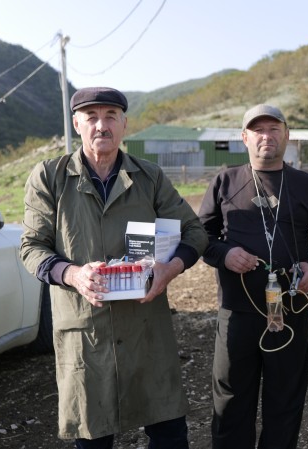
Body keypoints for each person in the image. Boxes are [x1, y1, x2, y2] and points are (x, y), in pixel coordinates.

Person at [20, 87, 208, 448]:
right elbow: (31, 247)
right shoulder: (49, 177)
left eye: (110, 116)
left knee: (169, 434)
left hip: (146, 329)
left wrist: (170, 268)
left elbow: (194, 232)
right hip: (86, 332)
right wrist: (74, 275)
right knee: (93, 437)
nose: (101, 125)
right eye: (91, 117)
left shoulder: (149, 177)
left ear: (124, 125)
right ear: (77, 124)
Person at [198, 104, 308, 449]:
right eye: (258, 130)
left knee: (285, 400)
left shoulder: (305, 185)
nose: (266, 136)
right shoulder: (225, 182)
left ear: (287, 135)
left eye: (274, 129)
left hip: (290, 309)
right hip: (238, 312)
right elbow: (201, 237)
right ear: (244, 137)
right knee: (231, 399)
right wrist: (225, 254)